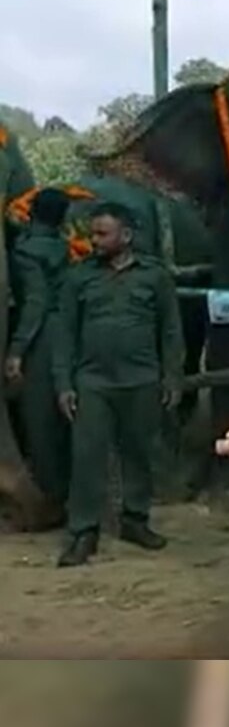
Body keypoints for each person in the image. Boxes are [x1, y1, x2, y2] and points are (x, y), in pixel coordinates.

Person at [53, 202, 184, 567]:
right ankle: (83, 532)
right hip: (92, 382)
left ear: (126, 236)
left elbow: (171, 331)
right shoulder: (79, 278)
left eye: (102, 233)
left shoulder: (154, 277)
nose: (94, 240)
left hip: (142, 380)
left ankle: (135, 521)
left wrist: (173, 376)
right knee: (87, 457)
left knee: (139, 452)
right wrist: (64, 384)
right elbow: (64, 335)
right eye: (92, 233)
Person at [6, 188, 72, 523]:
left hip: (44, 336)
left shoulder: (28, 251)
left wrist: (17, 349)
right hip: (71, 331)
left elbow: (36, 302)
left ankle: (51, 502)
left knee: (39, 420)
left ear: (31, 212)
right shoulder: (65, 247)